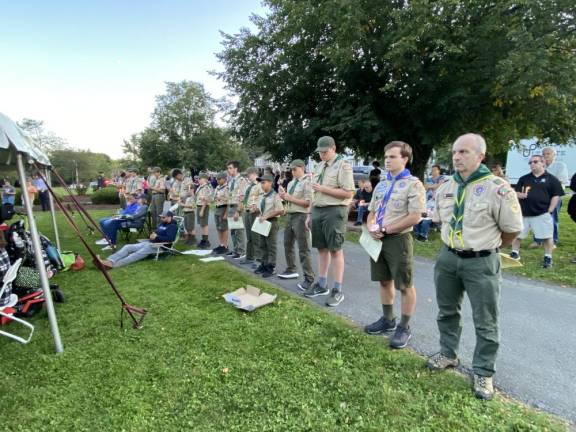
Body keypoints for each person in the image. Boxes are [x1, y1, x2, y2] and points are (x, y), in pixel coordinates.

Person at [428, 133, 523, 401]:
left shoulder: (498, 188)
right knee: (447, 311)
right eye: (455, 152)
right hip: (448, 258)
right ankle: (448, 354)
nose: (457, 157)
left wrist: (487, 247)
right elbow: (440, 222)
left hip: (481, 261)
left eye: (464, 152)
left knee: (485, 319)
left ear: (480, 156)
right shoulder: (446, 186)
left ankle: (483, 371)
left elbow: (511, 230)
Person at [364, 141, 426, 349]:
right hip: (377, 239)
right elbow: (372, 210)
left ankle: (404, 326)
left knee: (404, 284)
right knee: (383, 280)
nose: (387, 160)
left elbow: (415, 216)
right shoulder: (381, 184)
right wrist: (371, 225)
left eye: (392, 157)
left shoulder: (413, 184)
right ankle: (387, 319)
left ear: (404, 159)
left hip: (398, 239)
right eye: (386, 156)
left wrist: (387, 229)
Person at [303, 136, 355, 307]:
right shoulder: (319, 166)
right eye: (320, 152)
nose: (322, 155)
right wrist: (310, 214)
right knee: (321, 249)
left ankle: (337, 289)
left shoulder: (343, 165)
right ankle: (322, 284)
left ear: (334, 148)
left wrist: (324, 189)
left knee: (336, 250)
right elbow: (314, 193)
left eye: (325, 152)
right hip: (318, 210)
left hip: (334, 210)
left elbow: (348, 193)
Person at [510, 154, 564, 268]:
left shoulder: (551, 179)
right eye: (530, 162)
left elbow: (556, 195)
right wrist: (518, 194)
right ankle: (515, 253)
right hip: (524, 213)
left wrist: (550, 209)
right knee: (518, 235)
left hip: (541, 213)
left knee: (547, 237)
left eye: (535, 162)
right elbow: (515, 193)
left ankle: (548, 257)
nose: (532, 164)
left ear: (543, 163)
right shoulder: (524, 178)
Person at [278, 159, 315, 288]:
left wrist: (290, 198)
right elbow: (290, 200)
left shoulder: (307, 181)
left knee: (303, 248)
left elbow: (308, 202)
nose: (293, 172)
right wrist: (283, 196)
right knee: (287, 243)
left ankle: (309, 277)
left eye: (295, 169)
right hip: (290, 214)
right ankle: (291, 268)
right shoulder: (291, 183)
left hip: (301, 215)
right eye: (291, 170)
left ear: (302, 168)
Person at [98, 210, 177, 269]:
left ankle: (113, 265)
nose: (161, 218)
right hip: (149, 242)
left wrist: (156, 237)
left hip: (160, 246)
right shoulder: (163, 223)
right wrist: (152, 235)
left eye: (163, 217)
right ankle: (110, 260)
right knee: (127, 247)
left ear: (169, 217)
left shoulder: (172, 226)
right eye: (161, 217)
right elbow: (155, 232)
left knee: (135, 254)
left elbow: (170, 239)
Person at [253, 174, 284, 278]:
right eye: (261, 183)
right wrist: (256, 210)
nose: (261, 185)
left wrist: (267, 216)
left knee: (271, 246)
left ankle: (271, 267)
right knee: (263, 244)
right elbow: (262, 208)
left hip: (271, 222)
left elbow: (280, 210)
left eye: (263, 182)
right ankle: (264, 264)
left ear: (270, 183)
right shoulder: (263, 195)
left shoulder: (275, 195)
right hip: (262, 222)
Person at [541, 147, 569, 245]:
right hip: (541, 195)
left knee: (552, 218)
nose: (545, 156)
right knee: (539, 218)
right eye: (544, 154)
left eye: (548, 154)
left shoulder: (560, 165)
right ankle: (539, 240)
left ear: (554, 155)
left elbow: (560, 180)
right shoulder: (540, 166)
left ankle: (553, 241)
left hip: (555, 195)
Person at [413, 164, 446, 241]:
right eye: (432, 170)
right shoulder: (429, 178)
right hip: (427, 201)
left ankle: (423, 236)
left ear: (439, 170)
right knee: (418, 217)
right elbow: (425, 187)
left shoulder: (442, 178)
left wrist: (431, 186)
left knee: (426, 220)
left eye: (435, 170)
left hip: (436, 202)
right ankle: (418, 234)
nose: (433, 171)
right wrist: (433, 187)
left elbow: (439, 186)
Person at [226, 160, 248, 259]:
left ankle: (241, 251)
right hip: (231, 206)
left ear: (236, 168)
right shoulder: (231, 181)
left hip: (237, 206)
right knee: (233, 231)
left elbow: (243, 197)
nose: (229, 170)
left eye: (230, 168)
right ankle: (235, 249)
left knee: (239, 230)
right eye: (228, 168)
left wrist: (238, 211)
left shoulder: (241, 180)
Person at [240, 167, 262, 266]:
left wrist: (256, 208)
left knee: (256, 236)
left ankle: (258, 259)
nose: (247, 177)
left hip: (255, 212)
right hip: (247, 211)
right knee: (249, 236)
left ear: (254, 173)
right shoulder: (249, 185)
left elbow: (262, 198)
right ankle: (249, 256)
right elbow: (246, 197)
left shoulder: (260, 184)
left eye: (248, 175)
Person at [212, 172, 230, 254]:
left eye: (219, 179)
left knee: (224, 228)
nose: (218, 181)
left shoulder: (227, 188)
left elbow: (229, 202)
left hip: (223, 208)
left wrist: (226, 213)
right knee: (219, 228)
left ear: (224, 179)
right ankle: (221, 244)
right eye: (217, 179)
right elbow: (214, 198)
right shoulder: (217, 188)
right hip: (217, 208)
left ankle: (225, 246)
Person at [195, 172, 214, 248]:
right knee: (202, 224)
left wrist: (202, 210)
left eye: (200, 178)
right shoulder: (201, 186)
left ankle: (206, 240)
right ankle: (204, 239)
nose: (198, 180)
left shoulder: (206, 187)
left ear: (205, 179)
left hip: (203, 207)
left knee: (204, 224)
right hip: (199, 206)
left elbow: (206, 200)